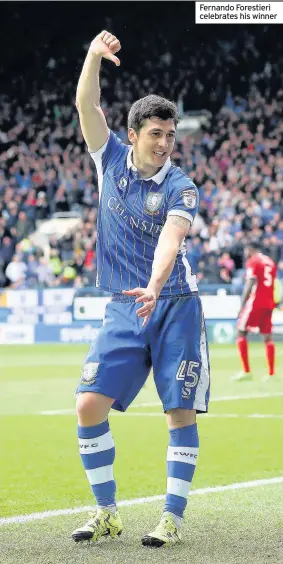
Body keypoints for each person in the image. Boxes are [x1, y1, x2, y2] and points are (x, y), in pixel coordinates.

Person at [72, 30, 210, 548]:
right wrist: (92, 56)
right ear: (131, 134)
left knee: (178, 411)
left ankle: (171, 517)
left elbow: (171, 239)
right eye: (155, 133)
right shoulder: (107, 160)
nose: (165, 143)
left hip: (174, 303)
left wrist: (153, 285)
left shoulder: (181, 185)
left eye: (170, 135)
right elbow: (87, 104)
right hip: (123, 306)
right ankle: (107, 511)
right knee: (88, 405)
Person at [234, 241, 277, 382]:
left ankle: (246, 371)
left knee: (240, 331)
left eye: (246, 251)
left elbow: (250, 282)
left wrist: (241, 305)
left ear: (250, 249)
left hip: (256, 301)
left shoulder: (253, 261)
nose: (245, 255)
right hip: (269, 302)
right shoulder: (270, 262)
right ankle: (271, 374)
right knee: (268, 337)